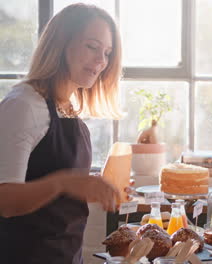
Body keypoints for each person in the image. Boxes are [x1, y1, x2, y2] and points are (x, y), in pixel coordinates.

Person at [0, 4, 128, 263]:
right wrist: (64, 182)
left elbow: (48, 174)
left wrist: (93, 185)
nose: (101, 61)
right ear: (60, 44)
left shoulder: (66, 107)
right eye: (92, 47)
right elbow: (5, 200)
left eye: (107, 52)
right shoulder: (23, 105)